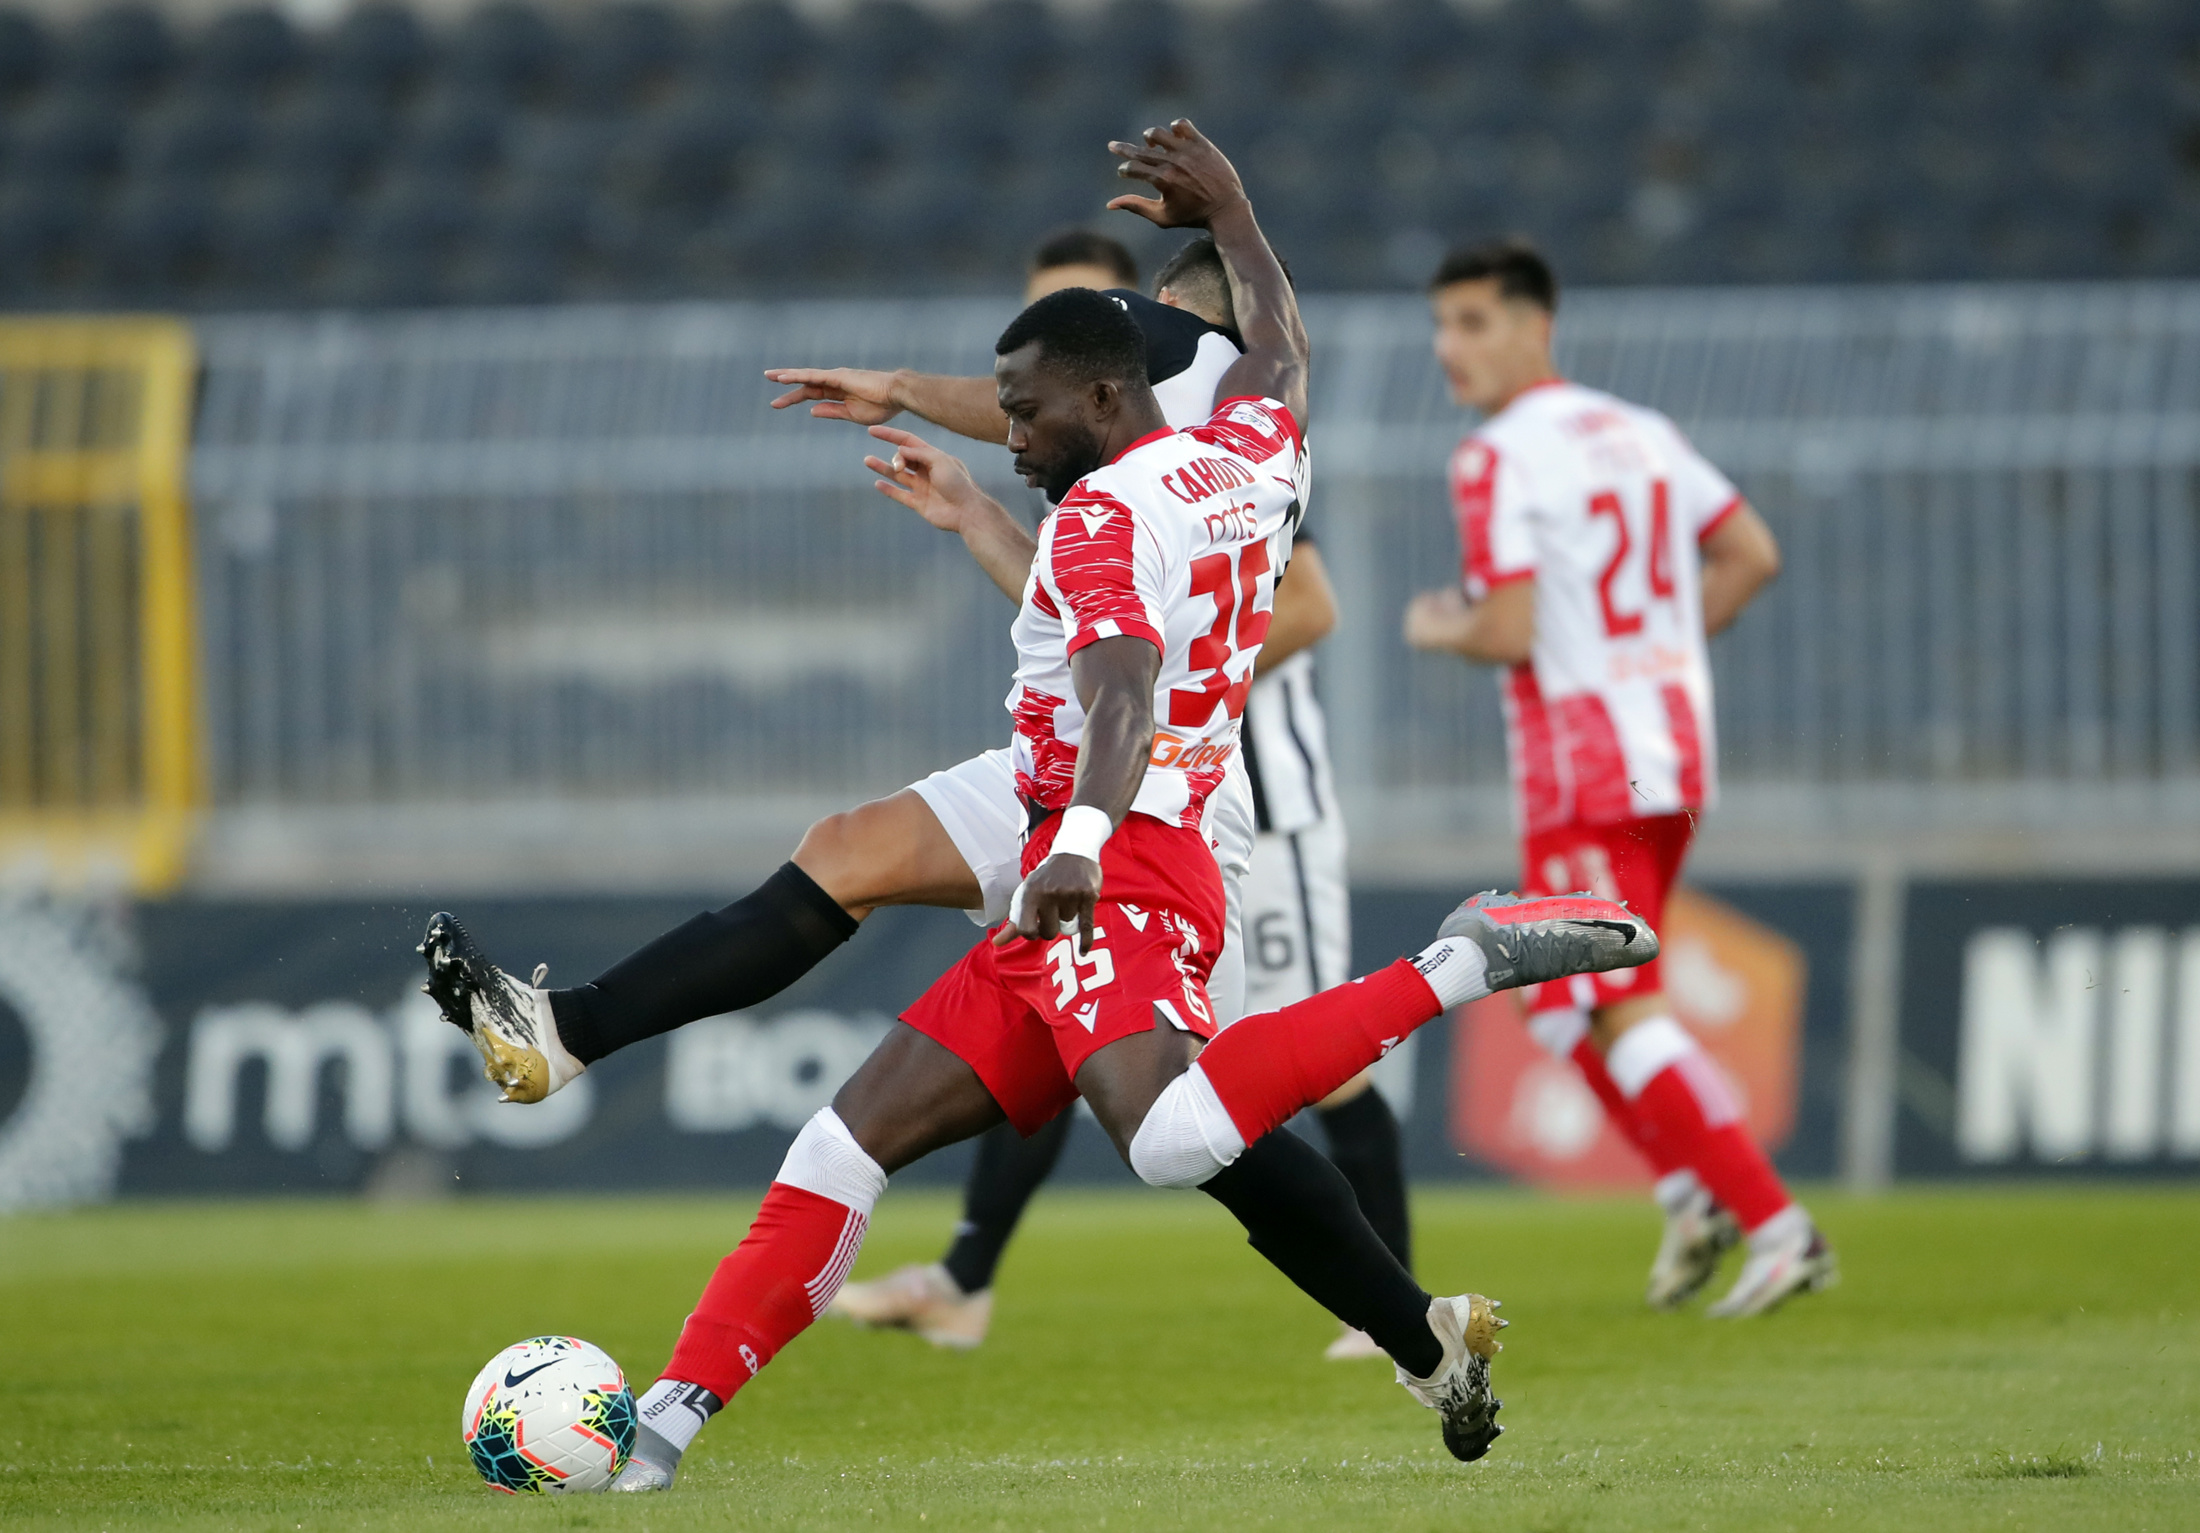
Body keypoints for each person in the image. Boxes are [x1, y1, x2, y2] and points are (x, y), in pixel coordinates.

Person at [422, 123, 1657, 1484]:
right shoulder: (1254, 446)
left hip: (1120, 846)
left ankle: (1462, 954)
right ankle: (661, 1427)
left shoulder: (1109, 516)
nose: (1006, 433)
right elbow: (1284, 352)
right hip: (1072, 823)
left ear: (1117, 397)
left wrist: (1071, 846)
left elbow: (1121, 688)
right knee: (846, 1135)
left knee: (1180, 1140)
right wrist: (1236, 212)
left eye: (1024, 412)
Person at [789, 233, 1400, 1361]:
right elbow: (1100, 626)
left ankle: (1395, 1295)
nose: (1018, 423)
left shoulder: (1179, 479)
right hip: (1140, 795)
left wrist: (1174, 684)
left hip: (1235, 799)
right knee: (1088, 1043)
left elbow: (1298, 607)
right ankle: (970, 1275)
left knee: (1273, 1073)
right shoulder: (1241, 448)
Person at [1402, 239, 1834, 1318]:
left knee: (1617, 1003)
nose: (1449, 348)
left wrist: (1438, 625)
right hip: (1671, 750)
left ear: (1533, 322)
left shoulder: (1495, 455)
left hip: (1586, 769)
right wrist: (1666, 656)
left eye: (1472, 322)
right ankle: (1692, 1189)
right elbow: (1750, 554)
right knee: (1556, 998)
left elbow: (1505, 628)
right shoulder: (1640, 432)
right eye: (1441, 325)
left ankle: (1773, 1224)